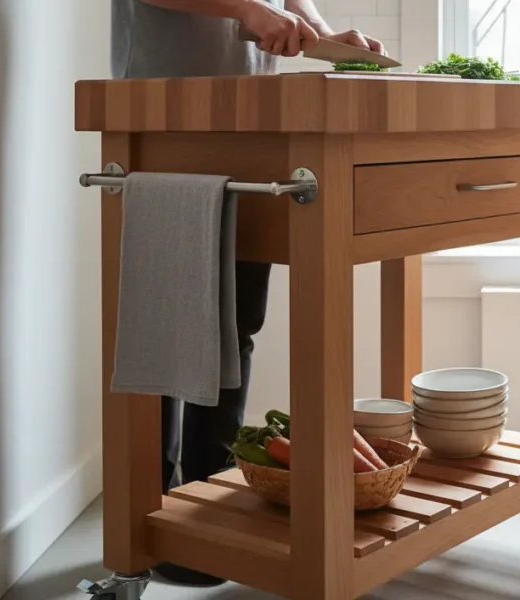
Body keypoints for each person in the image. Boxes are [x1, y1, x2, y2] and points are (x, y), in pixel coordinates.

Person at [111, 0, 386, 586]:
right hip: (164, 116)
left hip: (246, 117)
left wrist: (319, 32)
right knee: (163, 321)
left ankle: (211, 510)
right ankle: (157, 518)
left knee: (235, 324)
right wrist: (249, 10)